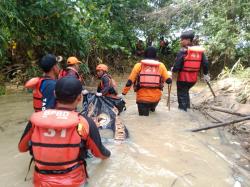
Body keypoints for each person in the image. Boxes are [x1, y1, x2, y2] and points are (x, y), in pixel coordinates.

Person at [18, 77, 111, 187]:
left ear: (54, 94)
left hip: (41, 182)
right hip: (74, 182)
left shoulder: (35, 121)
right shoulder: (85, 123)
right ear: (80, 97)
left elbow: (22, 148)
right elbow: (100, 154)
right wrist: (109, 154)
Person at [120, 46, 172, 116]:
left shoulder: (138, 66)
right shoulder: (161, 66)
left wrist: (123, 94)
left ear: (145, 54)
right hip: (155, 99)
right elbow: (168, 81)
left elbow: (130, 82)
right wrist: (170, 77)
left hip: (142, 99)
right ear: (156, 55)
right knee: (153, 115)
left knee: (143, 120)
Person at [172, 30, 210, 111]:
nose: (181, 41)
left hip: (183, 79)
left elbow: (177, 66)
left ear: (189, 40)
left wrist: (173, 70)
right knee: (185, 92)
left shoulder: (182, 51)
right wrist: (206, 74)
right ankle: (188, 109)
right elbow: (205, 63)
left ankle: (183, 113)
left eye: (183, 39)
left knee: (182, 94)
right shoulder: (200, 52)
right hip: (193, 80)